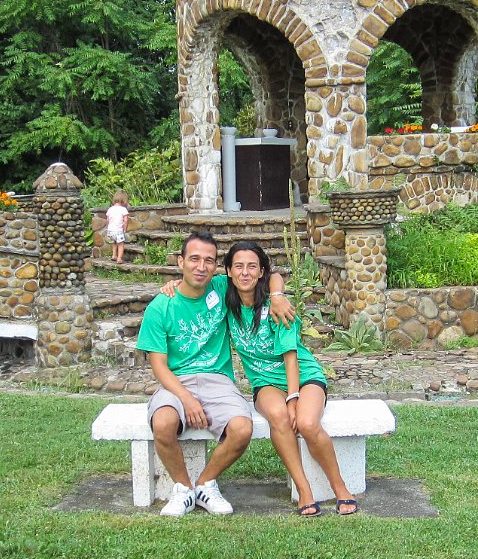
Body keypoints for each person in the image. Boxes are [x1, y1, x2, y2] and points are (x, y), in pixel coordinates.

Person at [137, 231, 294, 517]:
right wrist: (186, 399)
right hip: (176, 382)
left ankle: (205, 485)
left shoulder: (222, 287)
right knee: (163, 422)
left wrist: (277, 295)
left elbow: (269, 273)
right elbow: (158, 365)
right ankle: (183, 489)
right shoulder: (160, 307)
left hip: (217, 380)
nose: (201, 267)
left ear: (216, 267)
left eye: (208, 261)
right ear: (180, 262)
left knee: (241, 428)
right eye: (194, 259)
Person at [223, 241, 359, 516]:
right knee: (278, 416)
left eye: (252, 267)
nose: (245, 273)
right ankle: (304, 490)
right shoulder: (226, 302)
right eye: (238, 266)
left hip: (304, 376)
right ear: (228, 271)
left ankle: (340, 487)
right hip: (266, 382)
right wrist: (171, 286)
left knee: (307, 423)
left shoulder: (277, 308)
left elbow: (291, 357)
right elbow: (194, 284)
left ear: (261, 272)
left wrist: (293, 398)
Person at [105, 190, 130, 263]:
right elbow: (126, 220)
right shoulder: (123, 209)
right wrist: (125, 229)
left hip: (111, 231)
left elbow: (108, 220)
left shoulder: (110, 209)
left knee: (114, 243)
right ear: (124, 200)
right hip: (118, 231)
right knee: (120, 244)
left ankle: (114, 255)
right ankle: (119, 258)